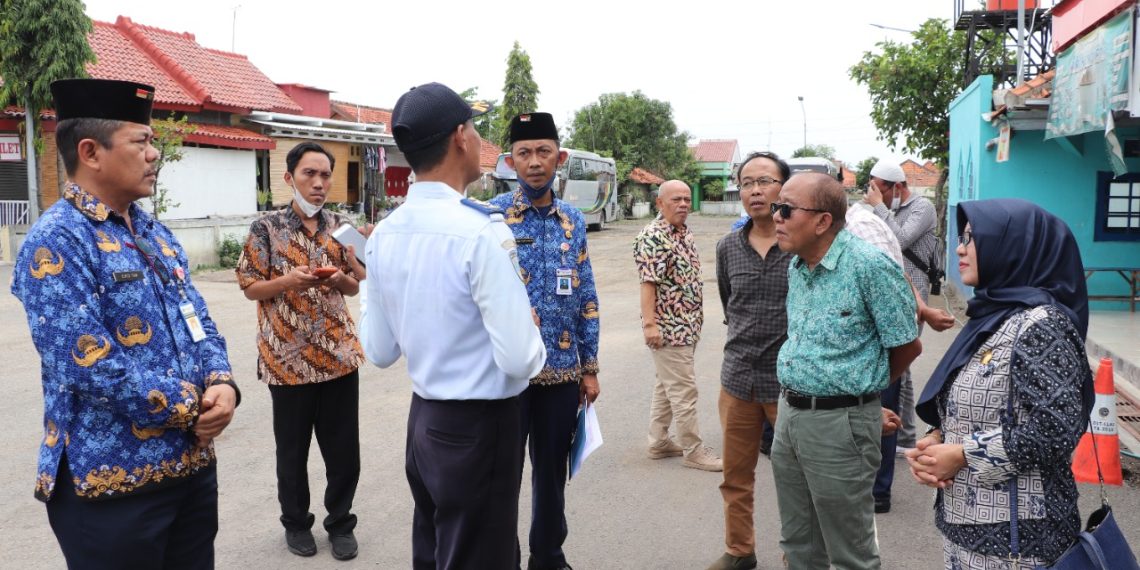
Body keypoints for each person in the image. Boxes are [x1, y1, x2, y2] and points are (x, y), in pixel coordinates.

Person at [10, 78, 240, 568]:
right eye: (142, 141)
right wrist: (191, 405)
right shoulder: (57, 242)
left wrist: (223, 382)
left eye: (153, 141)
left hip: (190, 469)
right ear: (91, 152)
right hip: (112, 492)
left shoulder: (153, 232)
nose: (155, 154)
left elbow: (197, 316)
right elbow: (89, 365)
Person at [359, 82, 546, 570]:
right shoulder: (481, 231)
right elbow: (521, 358)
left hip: (424, 423)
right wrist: (528, 328)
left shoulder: (385, 233)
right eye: (477, 128)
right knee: (480, 556)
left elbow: (378, 350)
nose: (481, 140)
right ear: (461, 137)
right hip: (480, 426)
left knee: (437, 550)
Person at [909, 199, 1092, 569]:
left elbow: (1056, 428)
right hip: (966, 526)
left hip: (1019, 542)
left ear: (1013, 246)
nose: (960, 248)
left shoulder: (1042, 325)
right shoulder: (992, 315)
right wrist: (937, 438)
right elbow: (982, 401)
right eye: (961, 238)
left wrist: (961, 455)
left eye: (973, 238)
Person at [771, 172, 921, 569]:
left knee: (849, 553)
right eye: (776, 208)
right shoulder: (797, 267)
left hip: (839, 426)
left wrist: (862, 395)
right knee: (798, 542)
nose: (776, 217)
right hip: (790, 416)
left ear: (822, 221)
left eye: (786, 209)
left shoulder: (869, 266)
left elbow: (908, 344)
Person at [235, 141, 366, 560]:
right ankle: (296, 524)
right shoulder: (266, 228)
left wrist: (337, 279)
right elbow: (249, 285)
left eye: (325, 174)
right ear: (289, 178)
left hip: (338, 358)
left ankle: (341, 523)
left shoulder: (341, 226)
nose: (319, 182)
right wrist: (289, 281)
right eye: (310, 174)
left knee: (343, 452)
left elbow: (356, 282)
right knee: (292, 452)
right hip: (287, 360)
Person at [490, 112, 600, 570]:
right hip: (507, 376)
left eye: (544, 152)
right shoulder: (491, 215)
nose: (535, 162)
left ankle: (548, 555)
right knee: (502, 477)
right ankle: (503, 558)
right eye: (524, 153)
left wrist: (590, 366)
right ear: (509, 162)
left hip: (560, 374)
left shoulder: (574, 220)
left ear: (561, 157)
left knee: (551, 475)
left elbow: (586, 296)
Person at [708, 152, 791, 570]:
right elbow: (730, 304)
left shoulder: (801, 245)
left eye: (765, 181)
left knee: (797, 479)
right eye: (746, 183)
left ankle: (799, 554)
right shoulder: (727, 248)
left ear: (784, 188)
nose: (755, 190)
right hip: (738, 378)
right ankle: (740, 551)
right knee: (736, 477)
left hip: (790, 383)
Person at [634, 180, 723, 472]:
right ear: (660, 203)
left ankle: (658, 441)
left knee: (667, 386)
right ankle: (694, 450)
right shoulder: (654, 237)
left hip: (687, 325)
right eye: (676, 199)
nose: (683, 204)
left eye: (687, 199)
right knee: (684, 390)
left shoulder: (683, 231)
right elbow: (648, 283)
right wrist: (650, 325)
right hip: (668, 329)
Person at [863, 160, 939, 452]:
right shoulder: (890, 208)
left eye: (879, 189)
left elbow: (900, 239)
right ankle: (903, 436)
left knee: (902, 362)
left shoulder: (923, 208)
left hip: (913, 293)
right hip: (892, 292)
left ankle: (903, 437)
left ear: (896, 186)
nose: (875, 194)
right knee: (899, 369)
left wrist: (878, 208)